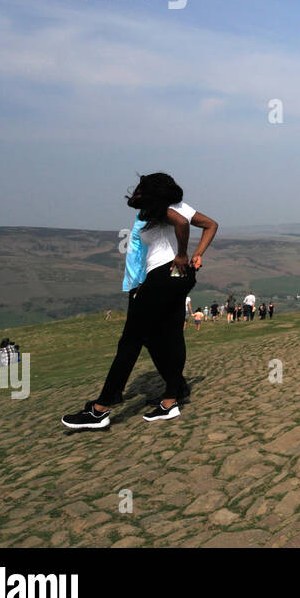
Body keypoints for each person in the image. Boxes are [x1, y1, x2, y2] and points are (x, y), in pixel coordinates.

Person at [62, 173, 218, 429]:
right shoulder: (177, 206)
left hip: (162, 275)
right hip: (181, 276)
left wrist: (182, 254)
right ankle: (171, 398)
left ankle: (100, 410)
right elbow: (211, 224)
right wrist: (197, 255)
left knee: (130, 342)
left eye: (142, 188)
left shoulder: (160, 210)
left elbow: (181, 224)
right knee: (170, 336)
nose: (137, 191)